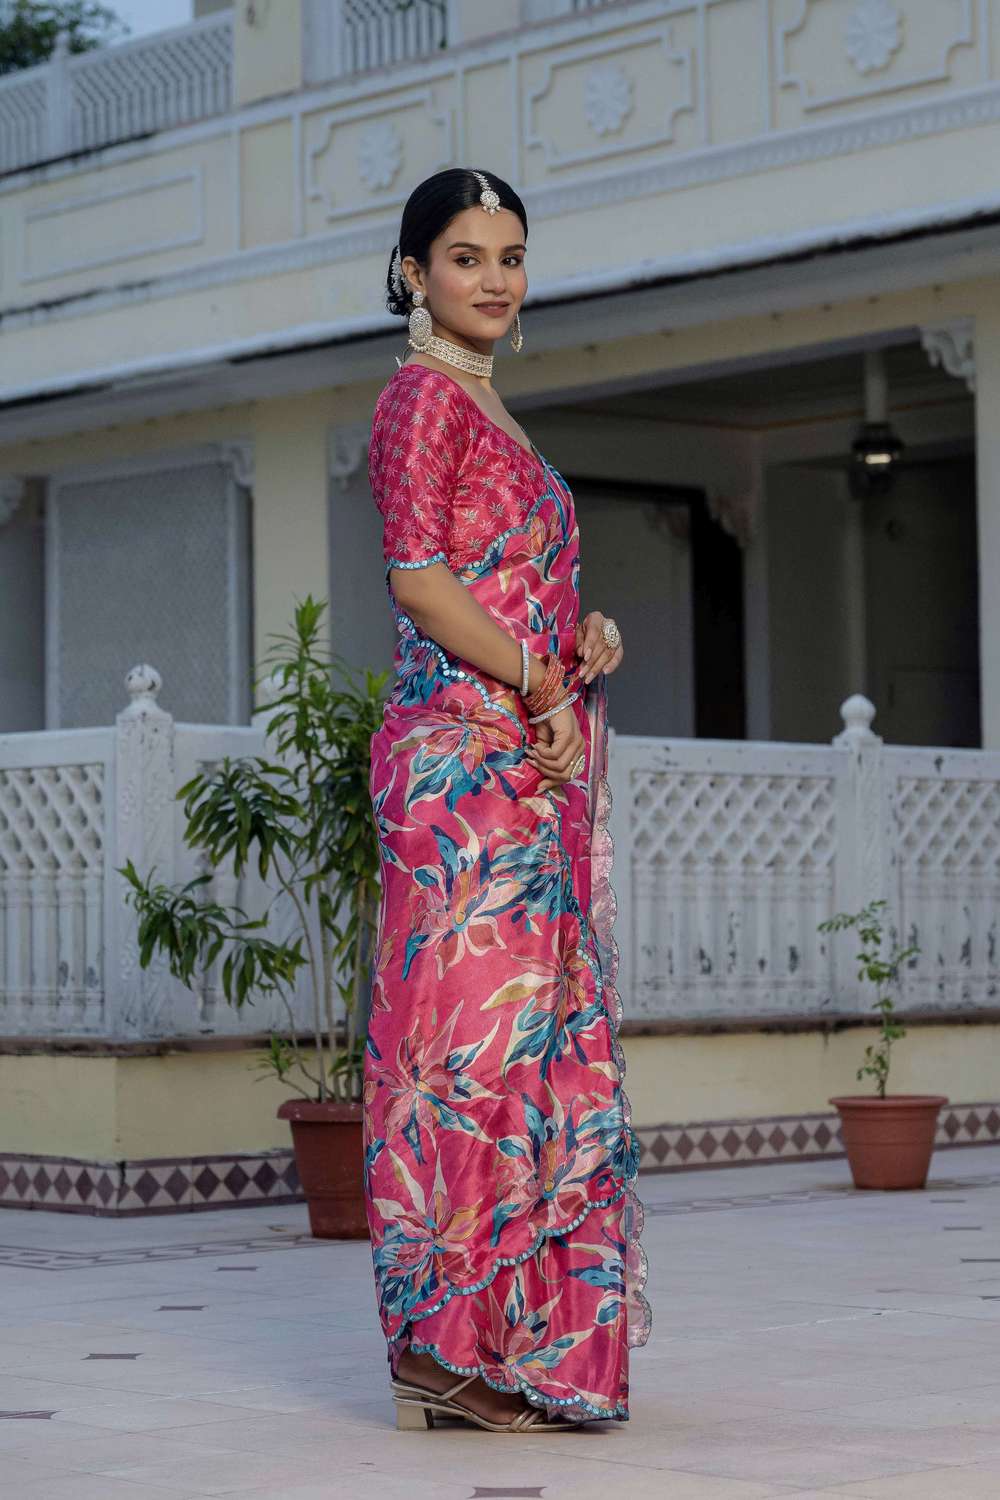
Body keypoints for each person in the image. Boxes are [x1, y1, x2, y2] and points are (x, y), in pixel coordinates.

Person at [363, 167, 651, 1435]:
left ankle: (508, 1346)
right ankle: (440, 1347)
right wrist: (535, 678)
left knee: (529, 1049)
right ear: (413, 272)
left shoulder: (490, 404)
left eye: (511, 256)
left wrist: (576, 637)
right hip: (462, 767)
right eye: (466, 256)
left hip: (527, 759)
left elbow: (504, 577)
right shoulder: (420, 399)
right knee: (464, 1053)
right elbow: (421, 582)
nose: (493, 279)